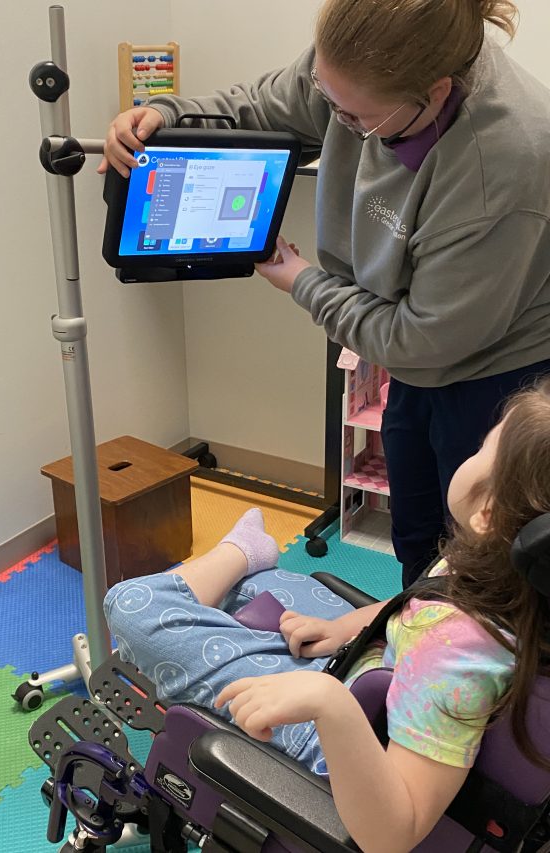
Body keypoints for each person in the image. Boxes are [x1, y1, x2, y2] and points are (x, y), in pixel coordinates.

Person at [100, 0, 550, 588]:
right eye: (328, 100)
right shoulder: (361, 66)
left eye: (355, 118)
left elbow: (423, 339)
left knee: (482, 557)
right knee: (415, 531)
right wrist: (163, 114)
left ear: (436, 93)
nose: (335, 121)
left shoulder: (504, 161)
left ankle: (459, 658)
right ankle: (402, 635)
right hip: (417, 352)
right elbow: (265, 105)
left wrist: (302, 281)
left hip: (494, 369)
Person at [104, 379, 550, 853]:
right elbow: (430, 600)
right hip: (367, 672)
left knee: (130, 604)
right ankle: (244, 563)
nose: (475, 451)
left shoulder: (455, 657)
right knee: (260, 590)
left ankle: (238, 553)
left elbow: (393, 834)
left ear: (487, 508)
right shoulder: (511, 576)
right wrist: (342, 628)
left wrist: (328, 703)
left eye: (485, 446)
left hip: (337, 748)